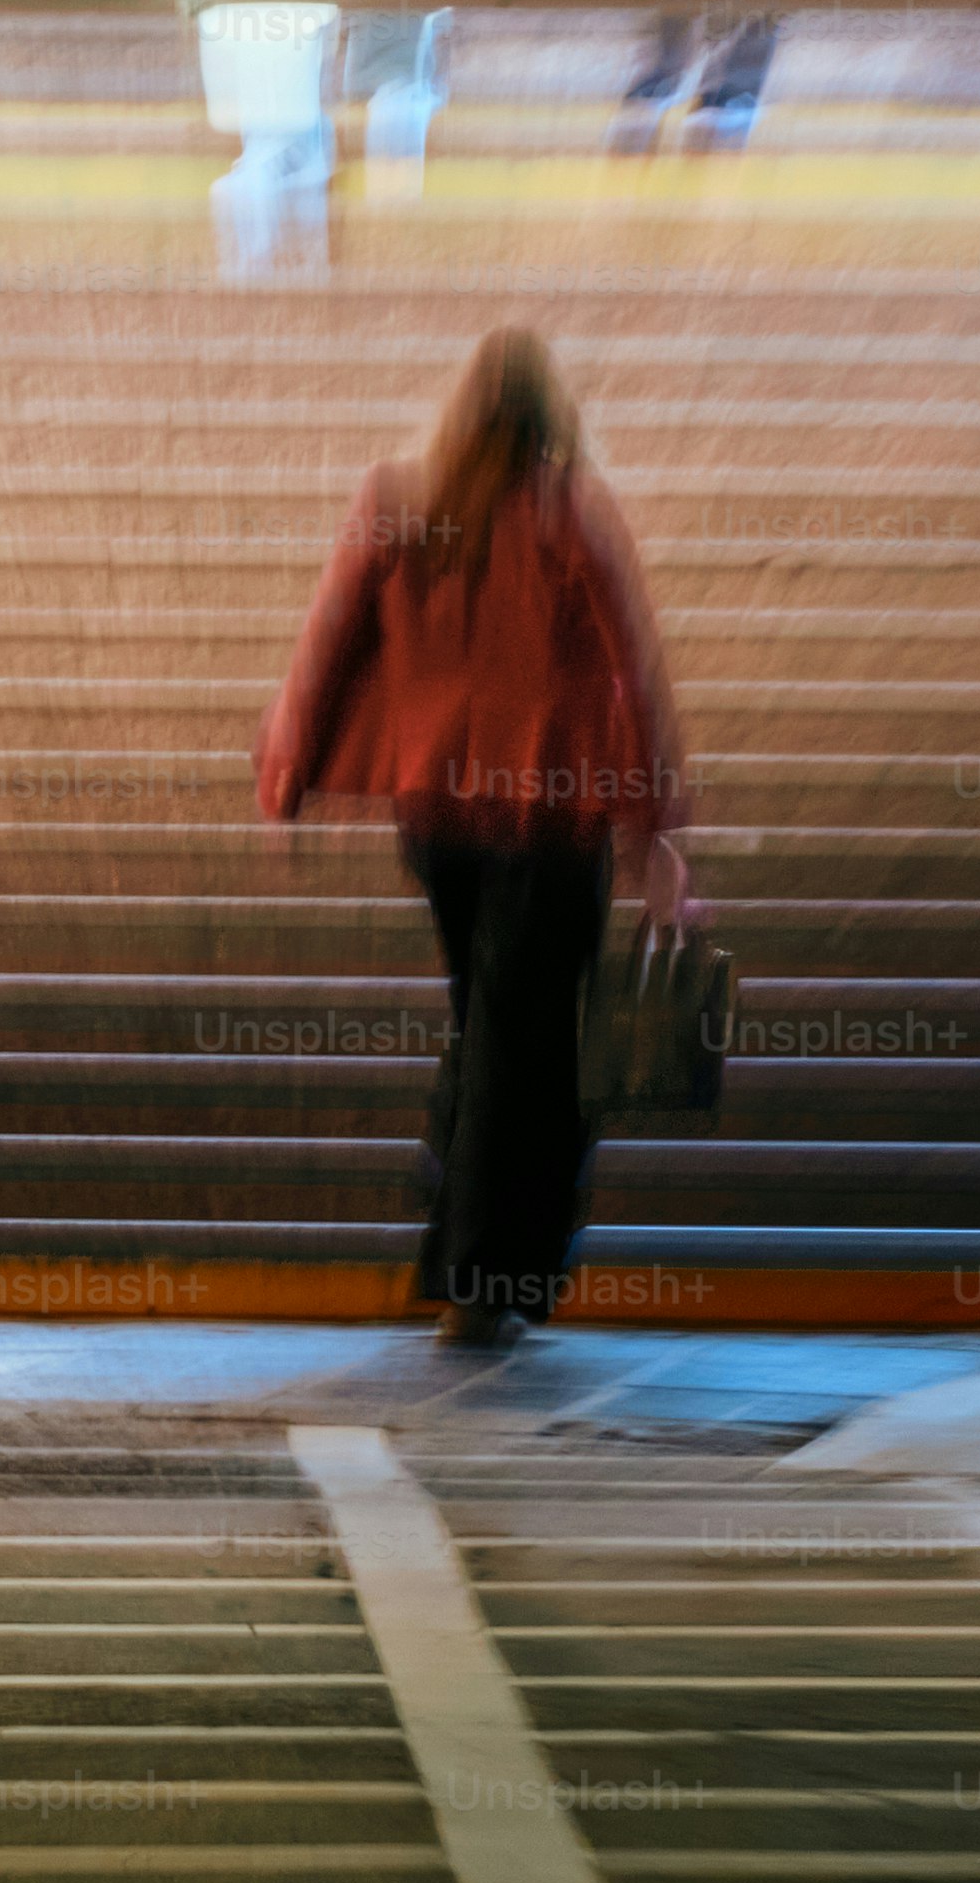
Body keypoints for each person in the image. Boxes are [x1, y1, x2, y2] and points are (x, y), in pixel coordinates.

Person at [256, 329, 698, 1346]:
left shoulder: (398, 501)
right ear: (551, 413)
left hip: (440, 821)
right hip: (546, 821)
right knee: (528, 1047)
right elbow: (636, 670)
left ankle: (461, 1242)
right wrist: (657, 830)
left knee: (488, 1022)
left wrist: (290, 770)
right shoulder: (568, 510)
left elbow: (326, 639)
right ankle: (482, 1274)